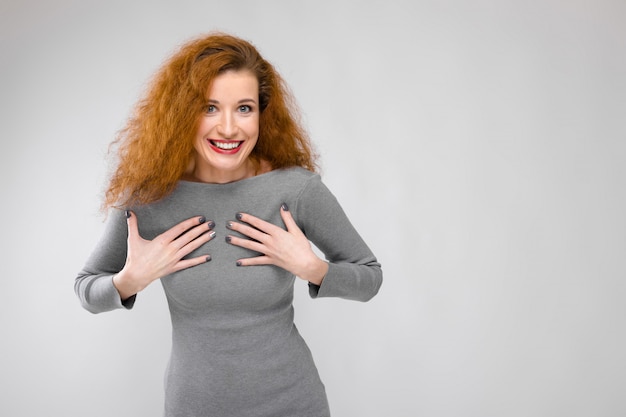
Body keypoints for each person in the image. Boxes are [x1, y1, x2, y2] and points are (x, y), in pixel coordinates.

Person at [75, 32, 382, 417]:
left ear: (261, 114)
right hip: (192, 407)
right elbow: (86, 288)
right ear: (183, 113)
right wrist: (130, 280)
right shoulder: (149, 198)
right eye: (209, 108)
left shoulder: (295, 189)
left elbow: (370, 278)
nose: (229, 128)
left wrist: (312, 268)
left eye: (244, 109)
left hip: (292, 403)